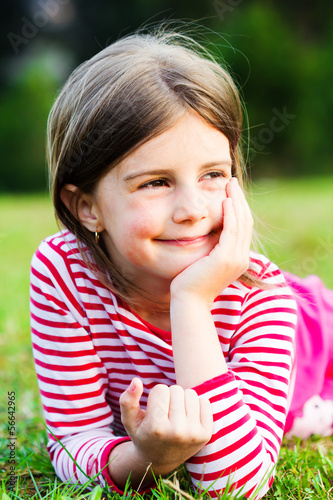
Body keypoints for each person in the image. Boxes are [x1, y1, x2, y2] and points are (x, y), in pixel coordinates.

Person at [30, 27, 333, 499]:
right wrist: (147, 460)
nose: (192, 209)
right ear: (86, 206)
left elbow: (237, 485)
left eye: (213, 174)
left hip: (318, 340)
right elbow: (73, 442)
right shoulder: (63, 273)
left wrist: (190, 300)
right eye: (155, 182)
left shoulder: (262, 299)